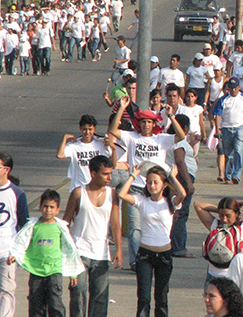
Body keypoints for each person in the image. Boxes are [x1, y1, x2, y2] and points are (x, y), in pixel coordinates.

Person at [109, 96, 186, 269]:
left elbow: (181, 136)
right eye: (143, 122)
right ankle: (137, 261)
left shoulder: (162, 139)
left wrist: (171, 116)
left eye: (149, 122)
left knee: (156, 224)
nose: (146, 125)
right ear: (139, 123)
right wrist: (121, 107)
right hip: (137, 187)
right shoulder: (132, 137)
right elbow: (114, 130)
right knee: (135, 227)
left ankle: (155, 255)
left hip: (159, 190)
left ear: (154, 124)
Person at [118, 164, 186, 317]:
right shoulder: (141, 200)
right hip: (145, 255)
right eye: (149, 182)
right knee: (144, 297)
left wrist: (172, 176)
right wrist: (133, 176)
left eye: (155, 182)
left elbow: (183, 194)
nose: (151, 185)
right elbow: (122, 195)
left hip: (164, 255)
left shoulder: (170, 202)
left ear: (163, 185)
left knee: (161, 296)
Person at [8, 189, 84, 317]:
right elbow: (21, 241)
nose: (47, 210)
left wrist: (72, 273)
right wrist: (15, 255)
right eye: (45, 206)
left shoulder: (60, 227)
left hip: (54, 272)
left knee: (55, 305)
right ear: (41, 207)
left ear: (57, 210)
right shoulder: (33, 225)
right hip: (36, 271)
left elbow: (70, 250)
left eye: (51, 207)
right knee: (36, 305)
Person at [63, 156, 122, 317]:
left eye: (110, 174)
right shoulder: (78, 193)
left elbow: (115, 223)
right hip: (79, 250)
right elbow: (66, 221)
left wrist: (119, 249)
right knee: (78, 290)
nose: (109, 178)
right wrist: (65, 250)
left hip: (101, 252)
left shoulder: (112, 194)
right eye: (105, 174)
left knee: (100, 295)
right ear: (93, 173)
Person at [194, 198, 243, 285]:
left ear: (237, 214)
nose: (224, 219)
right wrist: (220, 209)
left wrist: (239, 203)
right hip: (213, 278)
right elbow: (197, 205)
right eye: (221, 215)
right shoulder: (215, 225)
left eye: (228, 216)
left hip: (234, 279)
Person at [0, 152, 29, 317]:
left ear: (7, 170)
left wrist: (18, 251)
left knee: (6, 289)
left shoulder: (17, 194)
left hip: (7, 249)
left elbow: (24, 226)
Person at [212, 78, 243, 185]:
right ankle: (228, 176)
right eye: (231, 88)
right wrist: (218, 128)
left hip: (240, 127)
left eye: (235, 88)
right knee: (229, 153)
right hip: (226, 128)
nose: (233, 91)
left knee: (238, 150)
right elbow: (217, 115)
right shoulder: (223, 99)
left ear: (239, 88)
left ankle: (236, 175)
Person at [165, 115, 198, 258]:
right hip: (182, 179)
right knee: (180, 213)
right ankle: (178, 247)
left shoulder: (172, 140)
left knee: (176, 211)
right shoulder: (178, 142)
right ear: (184, 127)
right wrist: (188, 183)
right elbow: (179, 161)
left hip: (176, 177)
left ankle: (173, 245)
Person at [56, 115, 111, 192]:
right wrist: (64, 139)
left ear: (94, 129)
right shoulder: (74, 145)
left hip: (95, 187)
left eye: (90, 129)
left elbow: (112, 157)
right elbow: (59, 155)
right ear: (80, 129)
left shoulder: (101, 143)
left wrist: (110, 144)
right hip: (78, 187)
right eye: (84, 129)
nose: (87, 132)